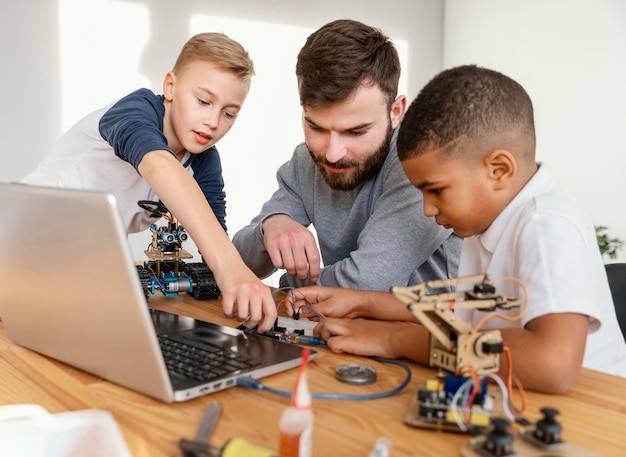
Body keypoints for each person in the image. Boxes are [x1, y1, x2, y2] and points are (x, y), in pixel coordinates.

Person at [290, 65, 626, 394]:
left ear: (498, 170)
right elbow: (470, 310)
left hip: (592, 421)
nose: (427, 209)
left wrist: (395, 339)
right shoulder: (492, 219)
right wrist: (361, 302)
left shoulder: (546, 224)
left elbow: (552, 364)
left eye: (435, 191)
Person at [21, 32, 277, 332]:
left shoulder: (203, 159)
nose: (213, 122)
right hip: (19, 241)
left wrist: (238, 278)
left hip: (71, 269)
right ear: (170, 85)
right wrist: (229, 267)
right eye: (204, 101)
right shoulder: (134, 112)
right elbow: (158, 165)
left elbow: (212, 237)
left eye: (229, 113)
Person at [232, 19, 461, 291]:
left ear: (396, 112)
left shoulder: (420, 167)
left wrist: (288, 285)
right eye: (316, 127)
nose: (332, 154)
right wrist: (270, 227)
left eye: (356, 132)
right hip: (339, 325)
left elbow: (368, 282)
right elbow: (238, 261)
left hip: (429, 330)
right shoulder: (306, 160)